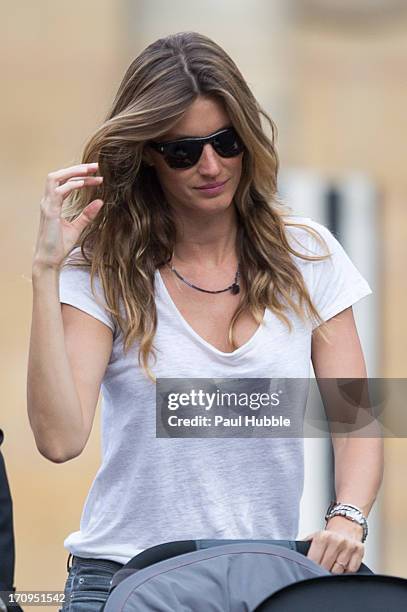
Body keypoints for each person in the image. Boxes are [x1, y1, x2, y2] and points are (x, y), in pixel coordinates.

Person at [27, 31, 384, 611]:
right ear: (147, 154)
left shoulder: (307, 252)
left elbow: (356, 416)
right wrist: (46, 271)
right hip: (123, 580)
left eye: (226, 141)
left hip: (261, 583)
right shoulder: (104, 265)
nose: (211, 165)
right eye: (183, 151)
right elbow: (60, 439)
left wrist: (348, 517)